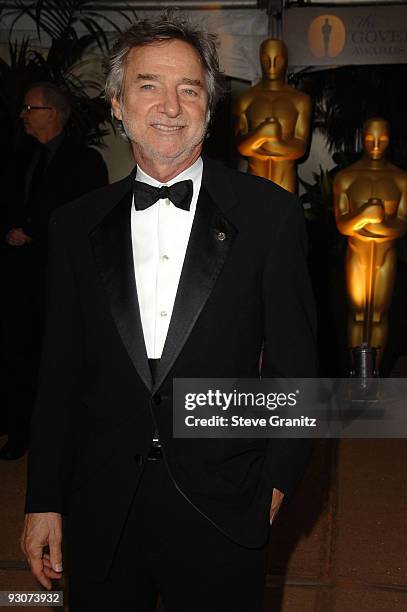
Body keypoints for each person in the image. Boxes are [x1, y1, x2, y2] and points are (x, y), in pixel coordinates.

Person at [21, 14, 317, 611]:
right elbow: (60, 374)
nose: (170, 106)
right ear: (117, 105)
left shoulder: (270, 217)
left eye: (189, 88)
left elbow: (296, 364)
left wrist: (278, 479)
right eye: (148, 85)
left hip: (225, 502)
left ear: (210, 107)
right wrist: (42, 498)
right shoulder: (74, 225)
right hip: (101, 502)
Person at [0, 83, 108, 460]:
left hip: (58, 276)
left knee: (58, 357)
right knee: (15, 350)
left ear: (52, 114)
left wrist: (33, 230)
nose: (22, 115)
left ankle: (63, 433)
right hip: (16, 275)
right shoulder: (17, 156)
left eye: (30, 108)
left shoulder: (86, 161)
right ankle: (18, 428)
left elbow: (86, 218)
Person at [333, 117, 407, 370]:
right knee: (357, 313)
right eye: (370, 139)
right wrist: (367, 214)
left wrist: (369, 224)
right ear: (362, 138)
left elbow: (401, 226)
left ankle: (374, 372)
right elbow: (343, 225)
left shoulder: (401, 180)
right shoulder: (346, 178)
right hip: (357, 254)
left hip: (384, 257)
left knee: (378, 315)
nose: (376, 145)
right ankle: (357, 373)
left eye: (382, 139)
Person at [233, 38, 311, 193]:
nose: (272, 65)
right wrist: (262, 133)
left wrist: (272, 144)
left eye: (278, 59)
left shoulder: (300, 100)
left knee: (284, 214)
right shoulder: (246, 99)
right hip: (255, 177)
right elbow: (241, 146)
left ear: (286, 59)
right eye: (266, 59)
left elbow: (300, 148)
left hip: (285, 178)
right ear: (260, 58)